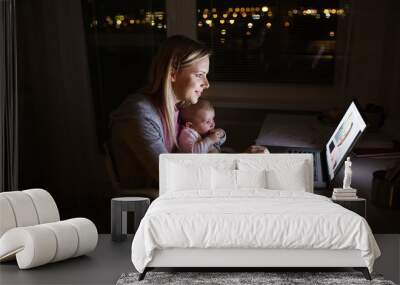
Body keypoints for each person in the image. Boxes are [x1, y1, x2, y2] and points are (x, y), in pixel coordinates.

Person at [109, 35, 212, 193]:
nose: (206, 84)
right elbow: (169, 176)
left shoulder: (178, 109)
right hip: (150, 202)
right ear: (173, 73)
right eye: (199, 75)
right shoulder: (139, 113)